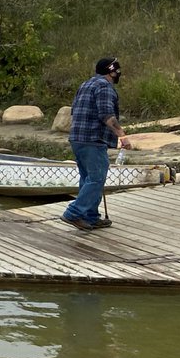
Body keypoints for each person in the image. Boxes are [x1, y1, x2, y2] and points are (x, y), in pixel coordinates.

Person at [62, 57, 132, 231]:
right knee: (96, 178)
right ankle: (73, 213)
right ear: (112, 72)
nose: (119, 74)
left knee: (87, 178)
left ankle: (90, 216)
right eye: (117, 71)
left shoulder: (85, 84)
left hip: (77, 138)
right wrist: (122, 136)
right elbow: (107, 115)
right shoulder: (104, 87)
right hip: (92, 139)